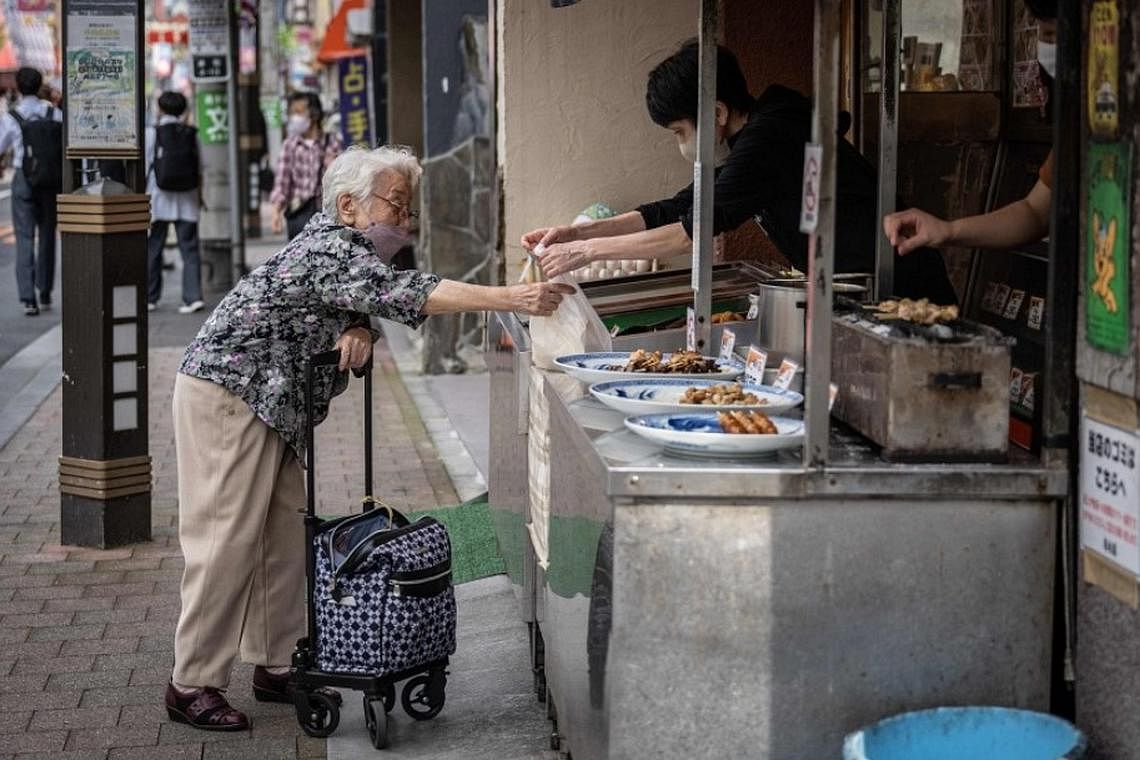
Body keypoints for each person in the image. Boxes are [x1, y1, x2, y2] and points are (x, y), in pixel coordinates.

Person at [165, 145, 573, 731]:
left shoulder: (342, 251)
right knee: (225, 537)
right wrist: (510, 298)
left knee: (282, 536)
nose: (404, 223)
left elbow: (360, 295)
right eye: (395, 206)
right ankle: (191, 682)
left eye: (409, 211)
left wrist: (358, 323)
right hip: (231, 392)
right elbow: (407, 292)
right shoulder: (333, 244)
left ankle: (277, 661)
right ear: (349, 205)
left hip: (272, 400)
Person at [523, 42, 957, 305]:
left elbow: (692, 230)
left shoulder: (770, 137)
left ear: (715, 112)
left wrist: (589, 254)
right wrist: (578, 234)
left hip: (898, 287)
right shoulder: (754, 135)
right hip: (858, 286)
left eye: (679, 131)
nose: (680, 143)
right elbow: (680, 206)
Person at [883, 0, 1056, 255]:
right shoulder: (1080, 134)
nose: (1049, 46)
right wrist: (947, 230)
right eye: (1044, 36)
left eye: (1053, 34)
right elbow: (1034, 213)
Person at [0, 67, 62, 316]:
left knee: (24, 237)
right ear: (39, 86)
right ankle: (45, 292)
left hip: (24, 179)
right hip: (50, 180)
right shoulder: (53, 112)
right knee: (47, 235)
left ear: (18, 85)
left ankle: (29, 299)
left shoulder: (11, 117)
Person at [145, 91, 205, 314]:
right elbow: (201, 168)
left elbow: (146, 166)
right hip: (187, 199)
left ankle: (150, 297)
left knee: (154, 247)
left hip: (158, 198)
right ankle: (193, 297)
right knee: (189, 249)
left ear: (160, 109)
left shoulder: (152, 134)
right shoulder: (191, 134)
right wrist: (200, 197)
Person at [269, 92, 343, 240]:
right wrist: (276, 213)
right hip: (299, 217)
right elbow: (282, 183)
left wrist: (333, 165)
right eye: (292, 113)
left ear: (314, 115)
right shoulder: (290, 145)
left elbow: (342, 182)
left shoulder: (332, 143)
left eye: (298, 112)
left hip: (327, 218)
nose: (294, 118)